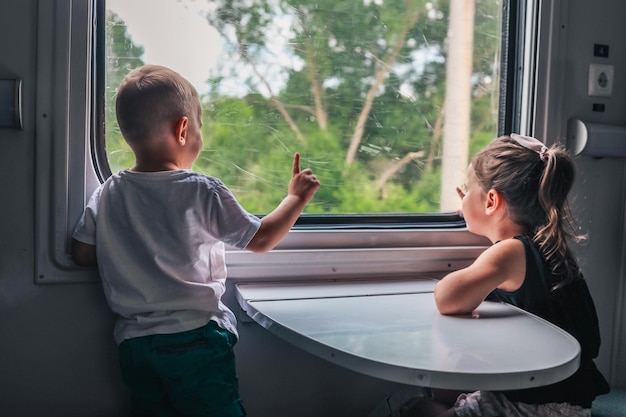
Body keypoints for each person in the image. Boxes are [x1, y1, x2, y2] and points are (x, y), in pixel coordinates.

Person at [71, 64, 320, 417]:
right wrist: (296, 198)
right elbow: (261, 238)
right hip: (195, 340)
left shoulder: (108, 192)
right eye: (200, 125)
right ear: (183, 129)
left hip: (135, 346)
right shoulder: (201, 190)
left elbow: (81, 253)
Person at [402, 134, 610, 417]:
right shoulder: (550, 249)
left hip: (532, 408)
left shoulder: (510, 252)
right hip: (570, 401)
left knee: (418, 408)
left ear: (491, 201)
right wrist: (472, 207)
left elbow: (447, 298)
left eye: (467, 190)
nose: (461, 200)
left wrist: (469, 215)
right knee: (443, 393)